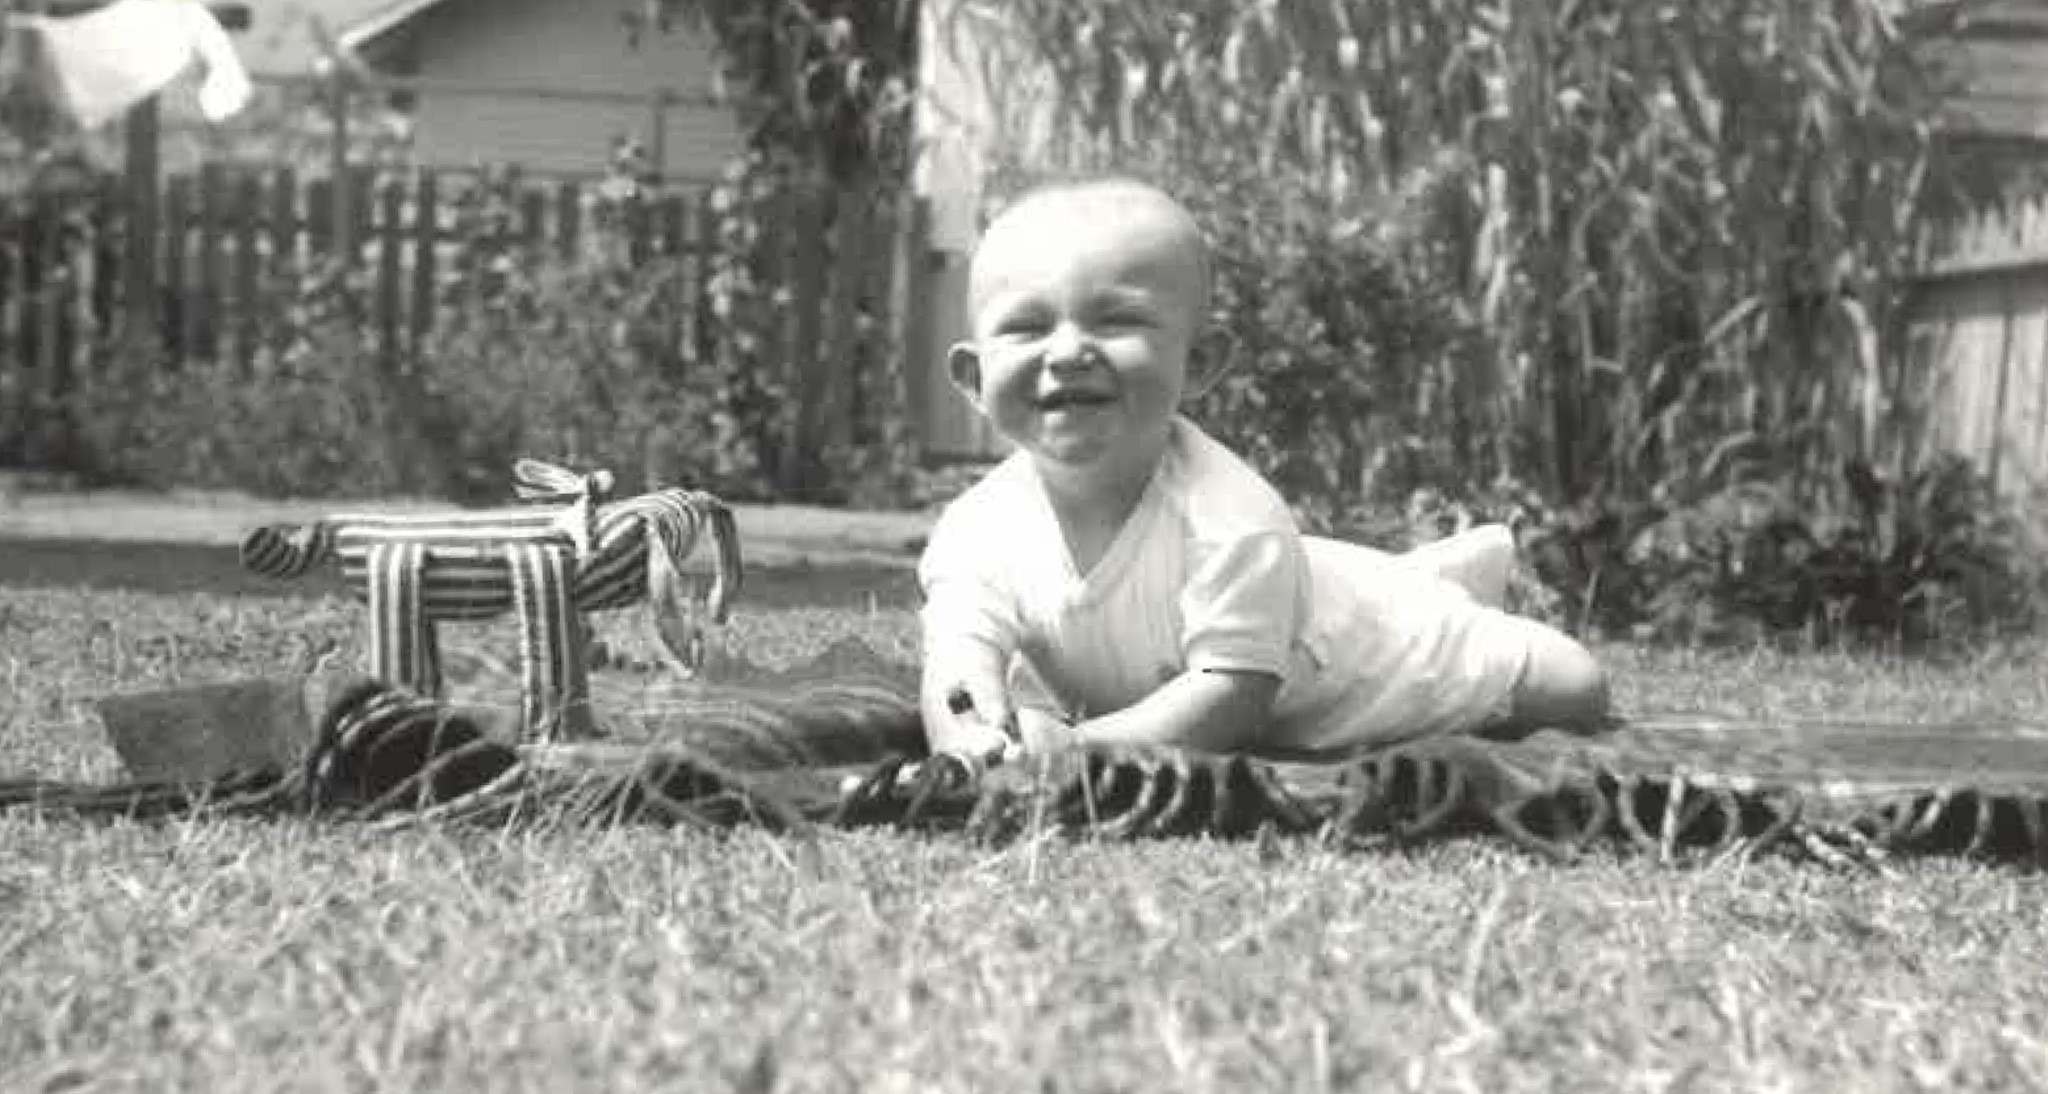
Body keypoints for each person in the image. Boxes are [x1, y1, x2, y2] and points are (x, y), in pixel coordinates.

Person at [917, 178, 1608, 768]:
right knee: (1329, 582)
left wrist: (1078, 748)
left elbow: (1231, 698)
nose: (1068, 351)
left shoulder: (1230, 519)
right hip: (1298, 586)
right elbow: (957, 663)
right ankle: (1420, 575)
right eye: (1026, 327)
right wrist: (969, 744)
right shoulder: (976, 530)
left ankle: (1437, 596)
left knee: (1574, 685)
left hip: (1366, 662)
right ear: (974, 379)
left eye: (1117, 320)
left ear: (1200, 362)